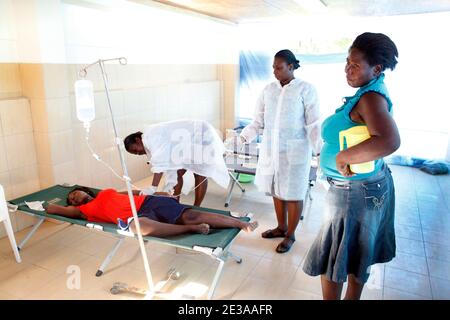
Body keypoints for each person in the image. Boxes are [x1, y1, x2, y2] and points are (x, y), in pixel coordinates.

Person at [302, 32, 401, 300]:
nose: (347, 68)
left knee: (335, 257)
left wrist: (344, 157)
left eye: (355, 64)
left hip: (353, 192)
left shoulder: (370, 98)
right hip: (369, 186)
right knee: (359, 252)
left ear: (376, 69)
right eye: (347, 62)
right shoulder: (372, 91)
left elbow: (390, 141)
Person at [238, 49, 322, 253]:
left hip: (295, 151)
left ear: (291, 67)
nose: (274, 71)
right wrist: (243, 137)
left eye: (279, 67)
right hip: (271, 150)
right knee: (277, 189)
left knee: (293, 193)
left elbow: (314, 124)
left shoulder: (305, 89)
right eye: (273, 67)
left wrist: (319, 151)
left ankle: (290, 235)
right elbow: (257, 121)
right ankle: (281, 226)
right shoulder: (268, 90)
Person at [44, 187, 258, 237]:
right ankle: (190, 229)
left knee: (191, 213)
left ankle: (240, 223)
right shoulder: (83, 211)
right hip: (138, 217)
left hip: (149, 202)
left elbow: (133, 190)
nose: (74, 197)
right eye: (71, 198)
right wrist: (38, 203)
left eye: (75, 193)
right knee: (138, 228)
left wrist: (158, 192)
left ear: (85, 190)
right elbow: (54, 208)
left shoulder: (107, 191)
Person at [124, 119, 229, 206]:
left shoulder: (151, 138)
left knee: (199, 172)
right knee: (178, 173)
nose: (138, 153)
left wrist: (153, 188)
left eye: (135, 150)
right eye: (135, 154)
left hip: (200, 133)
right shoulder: (148, 140)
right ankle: (175, 203)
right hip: (186, 141)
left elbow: (159, 165)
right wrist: (167, 187)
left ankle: (197, 207)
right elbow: (168, 166)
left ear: (137, 140)